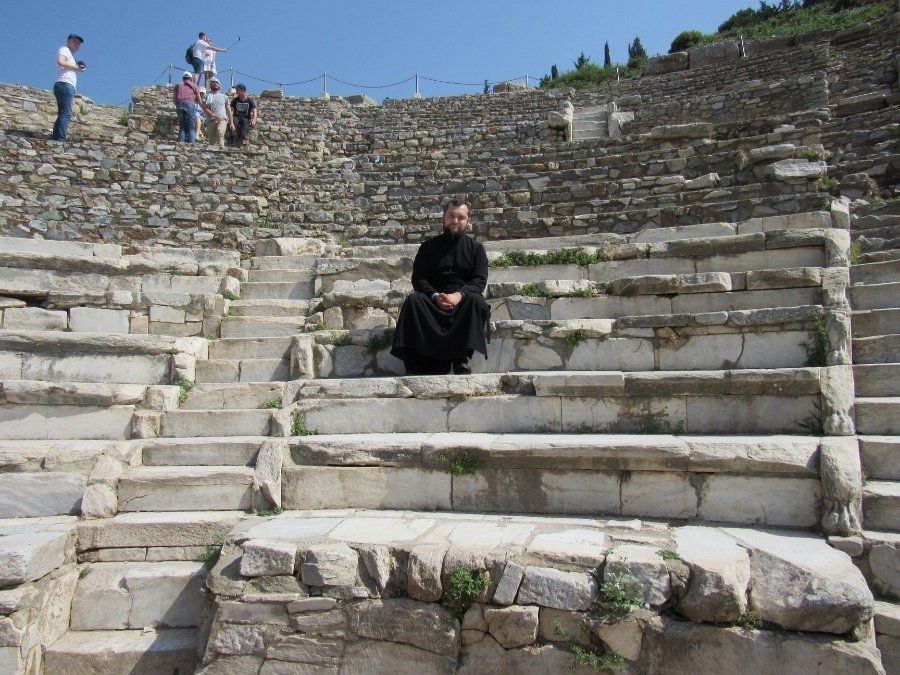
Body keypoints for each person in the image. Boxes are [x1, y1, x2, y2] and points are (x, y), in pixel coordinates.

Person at [391, 199, 490, 375]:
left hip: (462, 303)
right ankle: (419, 361)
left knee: (476, 301)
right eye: (451, 216)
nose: (455, 221)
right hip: (432, 302)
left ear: (468, 221)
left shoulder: (476, 250)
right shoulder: (427, 247)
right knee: (413, 301)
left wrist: (459, 295)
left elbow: (479, 281)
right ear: (444, 217)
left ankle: (461, 359)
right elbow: (419, 279)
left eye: (460, 217)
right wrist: (436, 296)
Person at [52, 34, 86, 141]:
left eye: (78, 43)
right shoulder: (65, 50)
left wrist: (77, 66)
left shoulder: (70, 55)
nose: (76, 44)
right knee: (66, 113)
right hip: (65, 84)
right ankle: (60, 139)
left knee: (63, 113)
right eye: (74, 41)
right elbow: (60, 61)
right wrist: (76, 68)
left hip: (64, 84)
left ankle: (56, 138)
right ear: (68, 42)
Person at [173, 71, 217, 144]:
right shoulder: (194, 86)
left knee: (182, 126)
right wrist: (204, 108)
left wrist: (178, 105)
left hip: (180, 105)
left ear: (183, 78)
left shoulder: (178, 85)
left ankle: (181, 143)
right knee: (191, 127)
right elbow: (199, 100)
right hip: (190, 105)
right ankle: (192, 144)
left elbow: (174, 99)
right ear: (190, 78)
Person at [204, 78, 230, 148]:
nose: (215, 83)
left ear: (219, 85)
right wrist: (213, 115)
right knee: (212, 141)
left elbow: (228, 110)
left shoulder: (224, 97)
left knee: (220, 132)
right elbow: (205, 108)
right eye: (213, 82)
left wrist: (232, 123)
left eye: (216, 82)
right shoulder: (206, 96)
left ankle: (222, 150)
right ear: (211, 85)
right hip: (211, 120)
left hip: (222, 119)